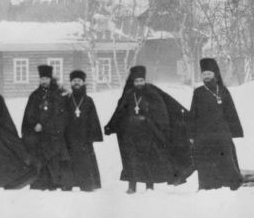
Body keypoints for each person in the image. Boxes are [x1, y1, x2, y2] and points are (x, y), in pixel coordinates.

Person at [104, 66, 175, 194]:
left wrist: (151, 121)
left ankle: (149, 186)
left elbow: (161, 112)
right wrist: (111, 125)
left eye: (141, 80)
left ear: (145, 80)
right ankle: (132, 186)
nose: (139, 83)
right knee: (131, 160)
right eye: (136, 81)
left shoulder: (152, 94)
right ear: (133, 82)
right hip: (130, 133)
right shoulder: (128, 94)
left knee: (149, 159)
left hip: (147, 133)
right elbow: (119, 111)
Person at [188, 58, 243, 190]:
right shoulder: (198, 92)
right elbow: (192, 114)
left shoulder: (223, 91)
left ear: (215, 75)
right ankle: (206, 185)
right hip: (203, 133)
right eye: (204, 74)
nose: (206, 77)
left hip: (221, 132)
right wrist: (190, 134)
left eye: (209, 74)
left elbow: (231, 111)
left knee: (226, 158)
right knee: (205, 160)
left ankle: (231, 184)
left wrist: (233, 131)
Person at [21, 65, 71, 191]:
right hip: (38, 135)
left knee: (53, 159)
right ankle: (39, 184)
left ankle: (54, 184)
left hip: (53, 134)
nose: (44, 81)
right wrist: (34, 125)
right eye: (42, 78)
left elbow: (61, 115)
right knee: (40, 159)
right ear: (39, 79)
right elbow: (29, 114)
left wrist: (46, 126)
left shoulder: (58, 95)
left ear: (50, 79)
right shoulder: (34, 95)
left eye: (46, 79)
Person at [63, 70, 103, 192]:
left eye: (79, 81)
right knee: (68, 161)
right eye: (74, 81)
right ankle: (67, 184)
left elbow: (93, 118)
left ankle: (87, 185)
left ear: (83, 82)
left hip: (84, 138)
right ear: (71, 83)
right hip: (68, 137)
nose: (76, 83)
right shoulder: (65, 100)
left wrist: (92, 135)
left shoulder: (88, 100)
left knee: (85, 162)